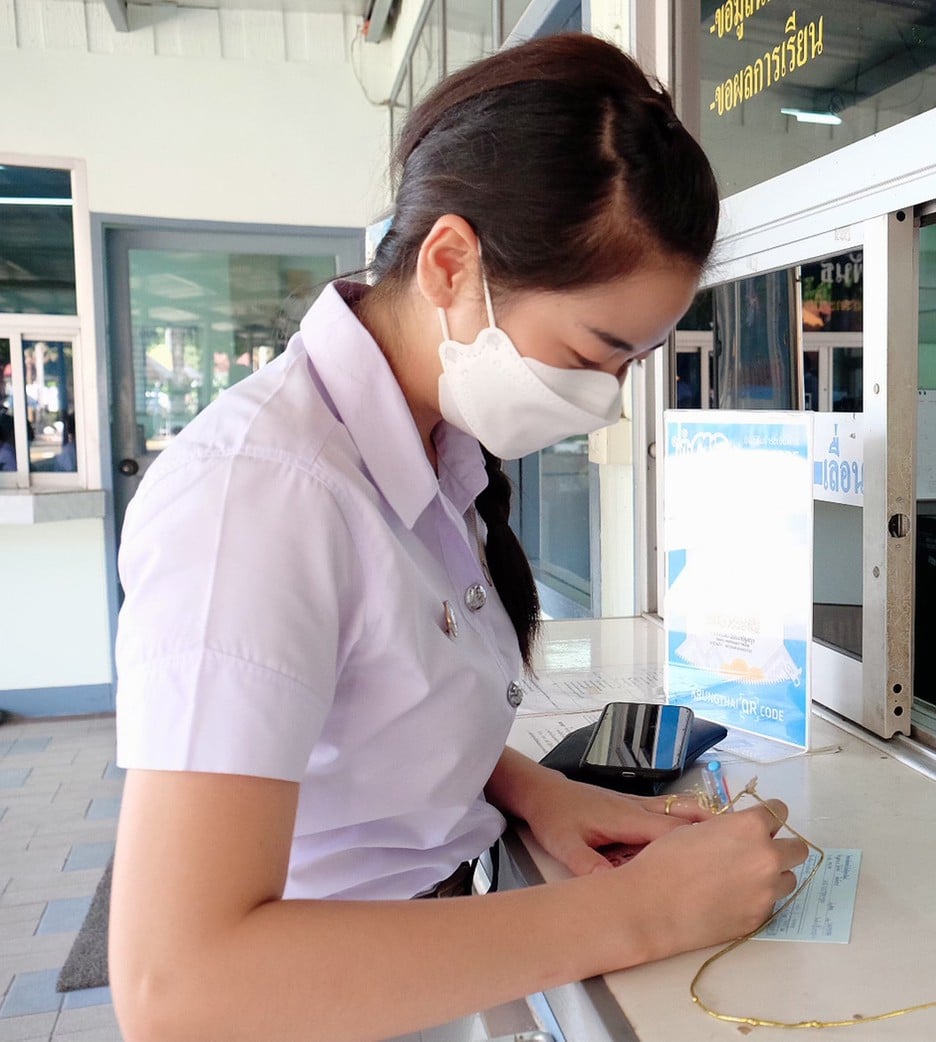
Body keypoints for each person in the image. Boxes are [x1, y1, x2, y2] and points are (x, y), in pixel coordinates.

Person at [109, 34, 808, 1042]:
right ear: (449, 263)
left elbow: (373, 703)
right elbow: (180, 988)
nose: (605, 402)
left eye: (635, 363)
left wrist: (535, 790)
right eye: (593, 353)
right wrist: (639, 911)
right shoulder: (257, 500)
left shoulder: (433, 454)